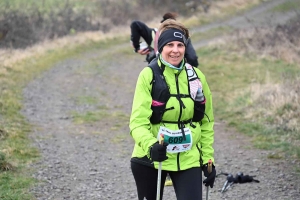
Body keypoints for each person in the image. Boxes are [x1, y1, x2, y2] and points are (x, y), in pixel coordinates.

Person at [129, 19, 216, 200]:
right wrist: (151, 145)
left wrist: (208, 160)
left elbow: (206, 122)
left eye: (180, 45)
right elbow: (137, 122)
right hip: (151, 158)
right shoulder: (149, 74)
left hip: (188, 158)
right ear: (161, 47)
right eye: (170, 45)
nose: (175, 50)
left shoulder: (197, 77)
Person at [130, 12, 199, 67]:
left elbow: (135, 24)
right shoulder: (182, 37)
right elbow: (192, 59)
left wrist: (137, 47)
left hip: (156, 75)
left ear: (162, 25)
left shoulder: (154, 34)